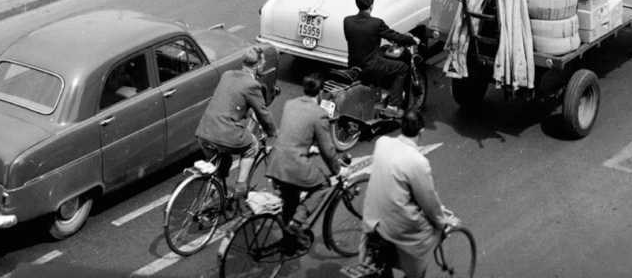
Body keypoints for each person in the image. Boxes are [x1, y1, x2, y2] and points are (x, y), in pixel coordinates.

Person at [362, 109, 460, 278]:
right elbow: (428, 201)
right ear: (421, 130)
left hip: (371, 216)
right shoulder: (418, 162)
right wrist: (443, 221)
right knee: (430, 233)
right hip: (395, 225)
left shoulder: (382, 143)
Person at [195, 46, 277, 203]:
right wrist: (273, 131)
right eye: (263, 63)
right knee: (252, 145)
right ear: (258, 65)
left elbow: (231, 101)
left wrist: (247, 113)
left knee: (221, 167)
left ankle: (207, 204)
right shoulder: (252, 85)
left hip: (204, 132)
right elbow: (263, 113)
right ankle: (240, 188)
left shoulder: (227, 75)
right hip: (223, 133)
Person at [266, 73, 347, 231]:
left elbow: (294, 133)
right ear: (321, 92)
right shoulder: (319, 114)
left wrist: (308, 147)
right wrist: (338, 170)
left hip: (276, 162)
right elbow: (327, 150)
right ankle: (298, 221)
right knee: (324, 184)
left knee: (291, 197)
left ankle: (288, 237)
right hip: (293, 165)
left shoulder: (290, 104)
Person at [343, 0, 417, 118]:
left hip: (353, 63)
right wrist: (412, 40)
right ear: (371, 5)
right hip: (372, 66)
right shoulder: (376, 23)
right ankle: (393, 106)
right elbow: (395, 36)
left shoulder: (347, 21)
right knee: (402, 68)